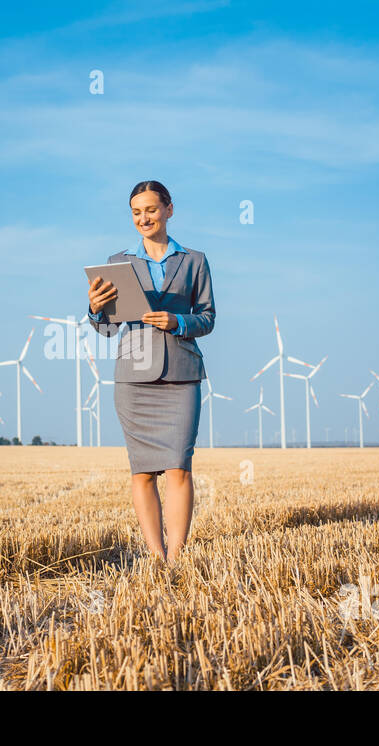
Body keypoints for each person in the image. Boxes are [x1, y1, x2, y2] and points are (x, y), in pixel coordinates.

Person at [85, 180, 216, 566]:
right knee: (142, 472)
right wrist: (94, 309)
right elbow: (107, 328)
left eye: (152, 210)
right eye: (136, 212)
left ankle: (177, 554)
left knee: (178, 466)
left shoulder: (195, 261)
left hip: (181, 373)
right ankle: (157, 557)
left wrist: (177, 321)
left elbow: (207, 318)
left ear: (169, 210)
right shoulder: (117, 262)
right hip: (134, 377)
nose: (144, 218)